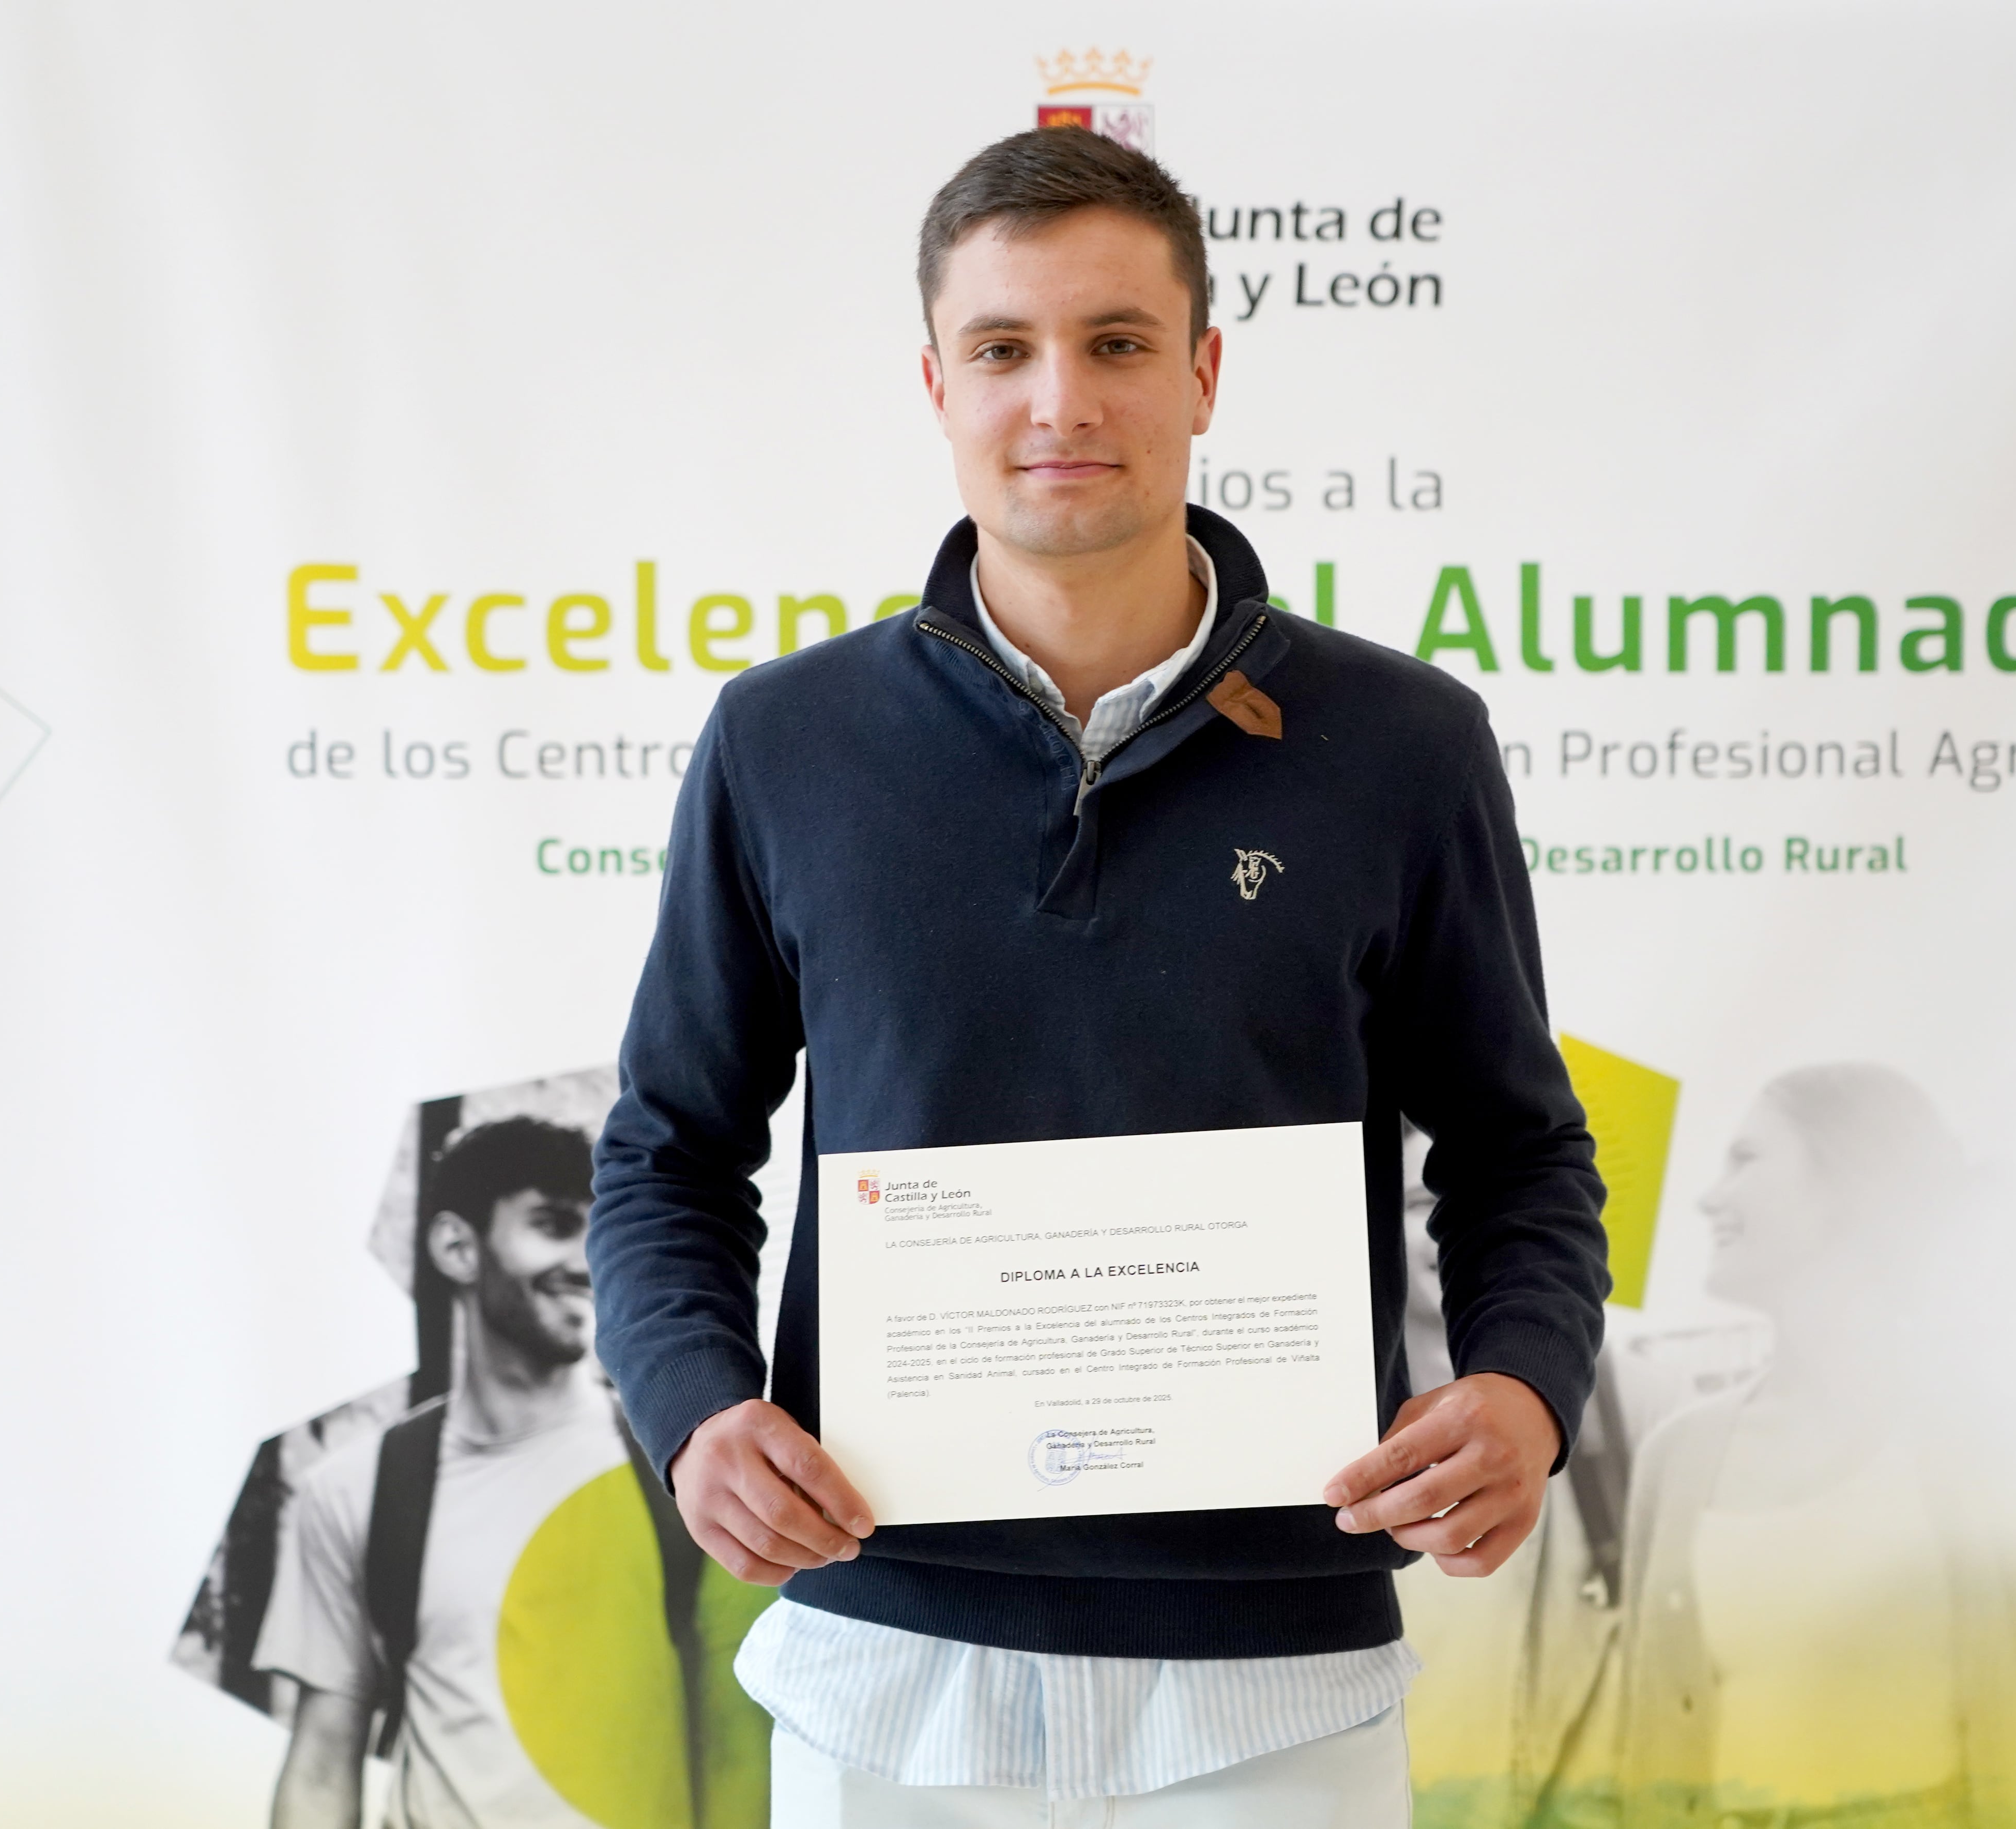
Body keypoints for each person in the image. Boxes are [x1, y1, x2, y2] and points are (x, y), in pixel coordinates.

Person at [590, 126, 1610, 1826]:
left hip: (1280, 1683)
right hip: (884, 1662)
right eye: (1004, 348)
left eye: (1117, 343)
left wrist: (1524, 1386)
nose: (1059, 400)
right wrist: (697, 1407)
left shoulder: (1406, 745)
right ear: (938, 384)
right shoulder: (784, 743)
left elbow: (1521, 1152)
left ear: (1203, 373)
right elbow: (667, 1151)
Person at [1598, 1066, 2016, 1829]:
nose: (1708, 1199)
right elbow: (1644, 1758)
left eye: (1746, 1159)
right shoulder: (1677, 1458)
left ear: (1848, 1180)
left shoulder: (2004, 1452)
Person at [262, 1116, 762, 1828]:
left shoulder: (679, 1472)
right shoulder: (359, 1490)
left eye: (597, 1234)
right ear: (458, 1248)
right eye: (552, 1225)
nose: (586, 1263)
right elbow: (320, 1769)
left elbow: (739, 1750)